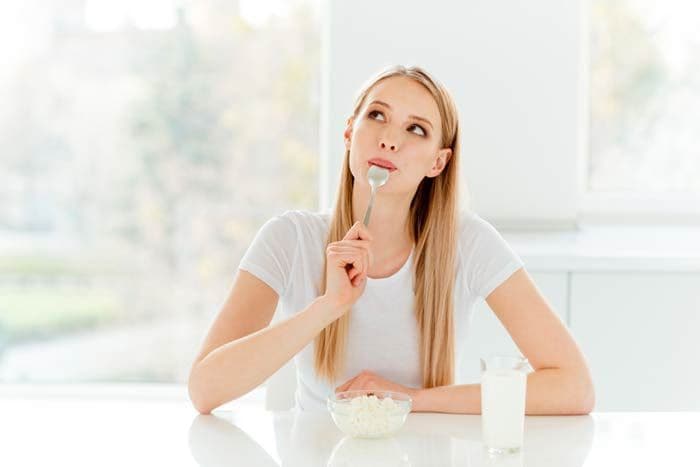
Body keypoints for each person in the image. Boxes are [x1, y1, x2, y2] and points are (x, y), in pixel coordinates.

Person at [188, 65, 595, 415]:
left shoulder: (469, 244)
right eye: (377, 116)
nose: (389, 139)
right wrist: (328, 306)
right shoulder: (289, 239)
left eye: (416, 129)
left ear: (438, 162)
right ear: (349, 132)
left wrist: (411, 399)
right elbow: (205, 391)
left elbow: (574, 387)